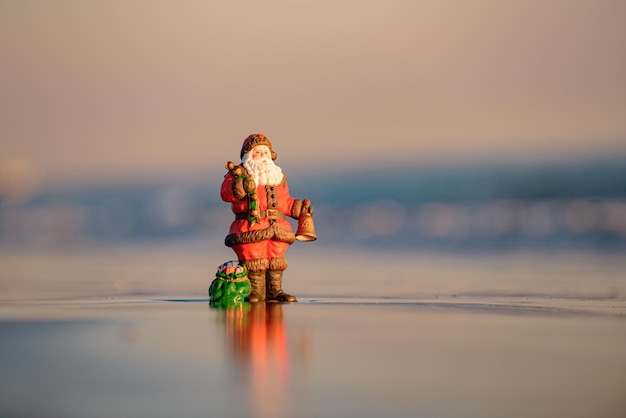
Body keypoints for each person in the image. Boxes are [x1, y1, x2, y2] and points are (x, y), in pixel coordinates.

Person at [221, 134, 313, 302]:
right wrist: (238, 187)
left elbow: (285, 201)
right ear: (248, 155)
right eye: (258, 152)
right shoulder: (239, 173)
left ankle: (275, 291)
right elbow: (226, 192)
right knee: (254, 259)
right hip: (251, 226)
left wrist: (298, 208)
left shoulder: (278, 176)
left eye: (265, 151)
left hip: (278, 228)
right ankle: (254, 291)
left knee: (276, 259)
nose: (262, 155)